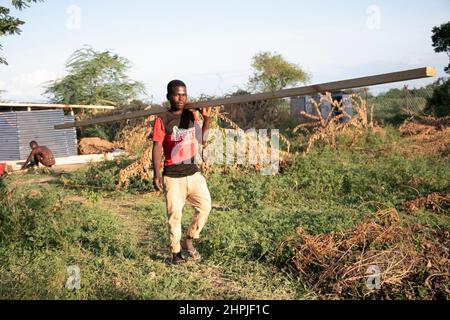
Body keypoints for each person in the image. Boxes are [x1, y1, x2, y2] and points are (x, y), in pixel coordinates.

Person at [152, 80, 212, 265]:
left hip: (193, 172)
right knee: (174, 216)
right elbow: (157, 147)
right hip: (173, 175)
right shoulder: (162, 119)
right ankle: (175, 253)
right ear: (169, 96)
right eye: (177, 94)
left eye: (184, 94)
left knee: (205, 207)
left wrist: (207, 119)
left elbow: (201, 140)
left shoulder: (190, 115)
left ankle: (189, 239)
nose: (181, 98)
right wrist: (156, 173)